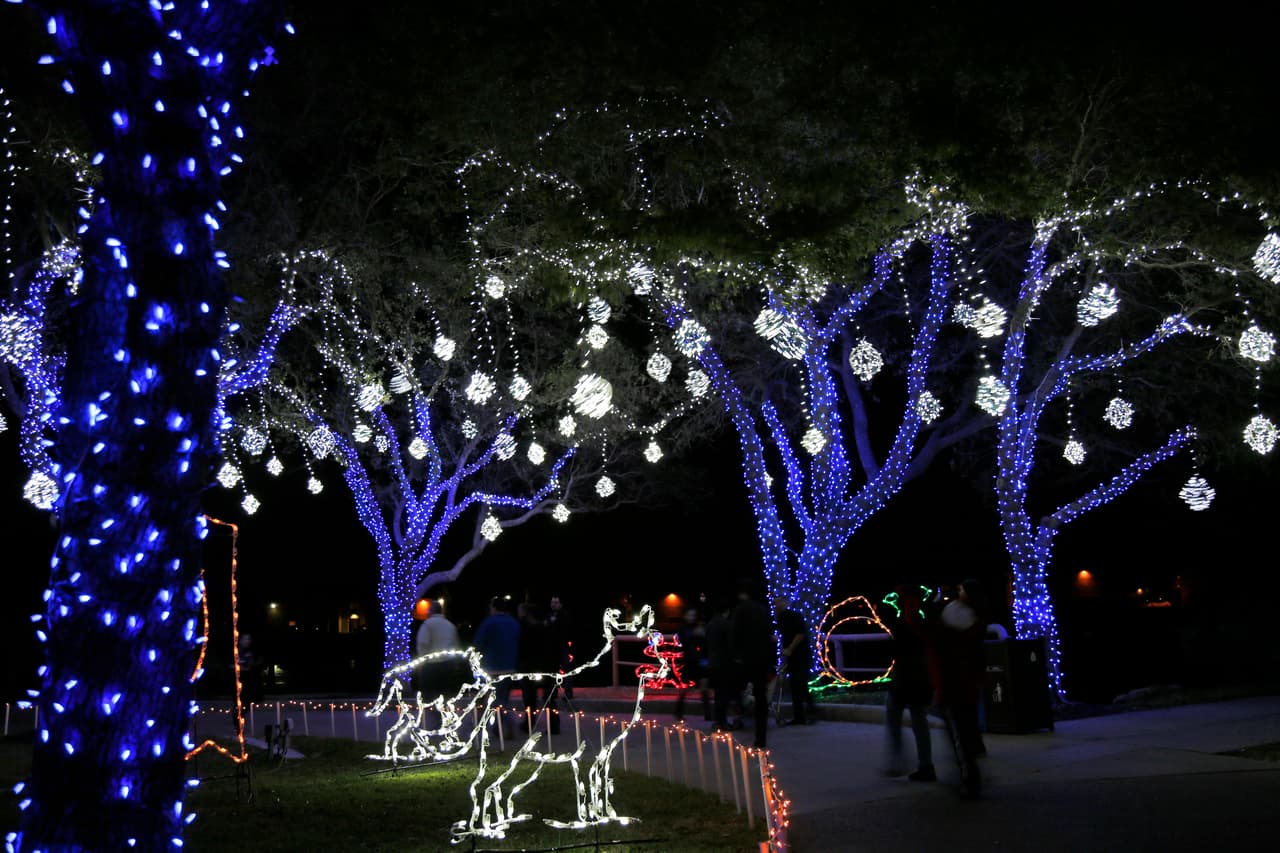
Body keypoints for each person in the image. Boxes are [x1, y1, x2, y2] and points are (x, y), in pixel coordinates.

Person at [932, 578, 989, 798]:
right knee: (967, 729)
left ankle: (970, 779)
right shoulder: (977, 618)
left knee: (961, 734)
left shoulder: (958, 623)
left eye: (962, 588)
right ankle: (971, 773)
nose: (958, 590)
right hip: (968, 683)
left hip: (957, 684)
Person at [883, 584, 936, 781]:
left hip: (905, 679)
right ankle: (926, 764)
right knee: (919, 722)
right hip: (921, 677)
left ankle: (898, 761)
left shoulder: (904, 622)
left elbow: (896, 649)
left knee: (894, 716)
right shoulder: (923, 620)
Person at [732, 578, 774, 750]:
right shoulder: (763, 610)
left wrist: (736, 655)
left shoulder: (740, 610)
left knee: (737, 689)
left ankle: (740, 717)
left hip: (746, 657)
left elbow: (736, 634)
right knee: (761, 695)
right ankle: (761, 737)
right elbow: (770, 633)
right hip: (762, 657)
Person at [473, 595, 521, 738]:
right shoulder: (514, 623)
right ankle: (498, 727)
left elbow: (478, 643)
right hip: (510, 666)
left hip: (492, 667)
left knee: (495, 700)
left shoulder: (489, 622)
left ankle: (507, 725)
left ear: (493, 607)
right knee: (503, 698)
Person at [517, 600, 560, 733]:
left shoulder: (524, 629)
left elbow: (522, 649)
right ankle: (553, 725)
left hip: (529, 667)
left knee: (530, 697)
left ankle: (529, 723)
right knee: (549, 698)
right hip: (548, 666)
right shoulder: (547, 627)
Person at [773, 596, 817, 726]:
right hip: (791, 655)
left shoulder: (794, 616)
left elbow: (800, 634)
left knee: (802, 685)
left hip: (801, 655)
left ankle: (811, 713)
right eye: (775, 603)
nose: (777, 605)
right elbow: (783, 637)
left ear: (786, 603)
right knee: (794, 686)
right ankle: (799, 717)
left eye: (779, 602)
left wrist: (790, 649)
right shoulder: (780, 618)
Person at [414, 598, 465, 706]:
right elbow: (456, 645)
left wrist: (421, 663)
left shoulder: (427, 625)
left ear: (430, 611)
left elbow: (423, 644)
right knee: (446, 695)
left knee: (429, 697)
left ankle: (435, 718)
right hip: (448, 665)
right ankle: (445, 717)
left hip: (431, 666)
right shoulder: (450, 625)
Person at [705, 596, 741, 733]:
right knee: (723, 694)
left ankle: (717, 721)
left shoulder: (710, 624)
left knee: (719, 693)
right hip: (724, 663)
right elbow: (731, 645)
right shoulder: (726, 624)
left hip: (713, 663)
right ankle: (722, 721)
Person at [673, 607, 710, 723]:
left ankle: (708, 714)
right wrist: (696, 634)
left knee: (704, 687)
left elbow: (704, 643)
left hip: (700, 661)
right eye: (689, 615)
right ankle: (678, 712)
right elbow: (684, 642)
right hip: (689, 661)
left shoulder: (699, 627)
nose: (692, 617)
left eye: (693, 615)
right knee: (684, 689)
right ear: (685, 616)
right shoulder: (683, 629)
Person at [545, 593, 574, 700]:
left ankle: (568, 693)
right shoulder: (548, 615)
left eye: (556, 602)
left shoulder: (565, 615)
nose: (553, 604)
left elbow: (566, 630)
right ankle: (553, 693)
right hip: (552, 648)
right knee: (552, 671)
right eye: (552, 602)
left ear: (561, 604)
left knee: (566, 670)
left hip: (562, 647)